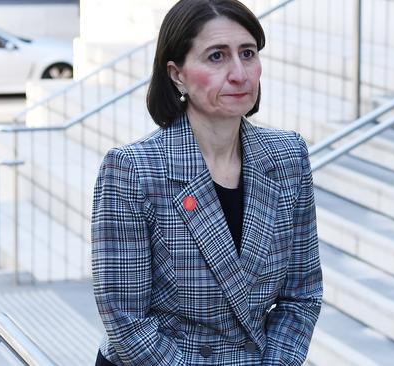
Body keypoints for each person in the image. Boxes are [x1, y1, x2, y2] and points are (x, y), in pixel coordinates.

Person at [91, 0, 322, 365]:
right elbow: (127, 322)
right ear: (177, 74)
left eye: (247, 54)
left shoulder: (288, 155)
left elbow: (302, 295)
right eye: (216, 56)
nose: (239, 73)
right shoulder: (134, 170)